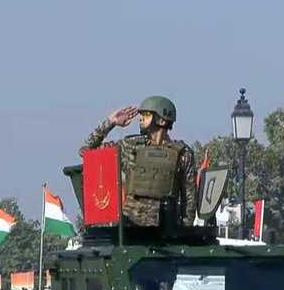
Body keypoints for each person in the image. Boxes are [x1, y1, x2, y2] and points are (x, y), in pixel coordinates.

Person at [79, 96, 198, 227]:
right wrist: (111, 122)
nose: (140, 118)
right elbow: (86, 152)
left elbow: (189, 199)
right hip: (130, 227)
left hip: (165, 229)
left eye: (146, 115)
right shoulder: (129, 147)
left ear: (161, 120)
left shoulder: (182, 154)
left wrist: (185, 232)